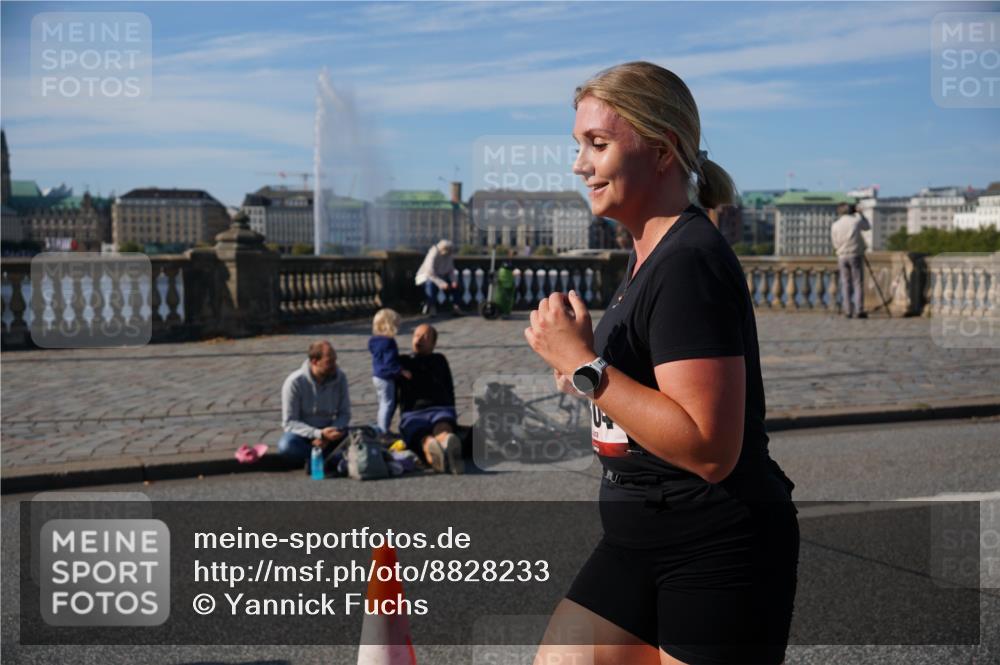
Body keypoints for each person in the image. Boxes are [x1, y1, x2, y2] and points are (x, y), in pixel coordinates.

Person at [525, 62, 799, 665]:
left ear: (662, 149)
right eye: (578, 146)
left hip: (716, 545)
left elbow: (707, 447)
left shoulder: (688, 262)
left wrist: (586, 365)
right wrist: (588, 375)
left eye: (597, 144)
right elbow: (648, 398)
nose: (579, 164)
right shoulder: (649, 253)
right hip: (637, 537)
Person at [396, 323, 464, 474]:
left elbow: (449, 386)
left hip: (432, 410)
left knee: (438, 428)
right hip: (420, 412)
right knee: (429, 432)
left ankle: (441, 446)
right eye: (416, 335)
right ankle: (440, 445)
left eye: (424, 336)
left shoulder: (437, 359)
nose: (419, 339)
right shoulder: (403, 362)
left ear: (433, 344)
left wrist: (451, 412)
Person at [278, 340, 350, 468]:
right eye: (329, 362)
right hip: (303, 436)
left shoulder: (340, 378)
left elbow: (344, 413)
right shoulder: (295, 382)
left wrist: (331, 433)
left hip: (331, 433)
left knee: (373, 431)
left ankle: (319, 461)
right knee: (286, 445)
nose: (335, 365)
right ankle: (329, 460)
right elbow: (289, 422)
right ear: (315, 362)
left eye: (335, 360)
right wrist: (318, 434)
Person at [368, 308, 412, 435]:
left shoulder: (374, 340)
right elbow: (390, 362)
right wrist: (401, 371)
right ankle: (382, 429)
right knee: (388, 404)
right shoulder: (388, 342)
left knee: (382, 402)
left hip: (377, 375)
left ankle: (381, 427)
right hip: (386, 377)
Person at [831, 203, 871, 319]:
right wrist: (861, 214)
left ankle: (847, 310)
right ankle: (859, 310)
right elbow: (867, 227)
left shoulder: (835, 225)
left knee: (845, 283)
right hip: (855, 254)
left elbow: (834, 242)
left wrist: (840, 250)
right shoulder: (855, 221)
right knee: (857, 283)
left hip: (842, 256)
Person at [415, 239, 462, 316]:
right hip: (426, 277)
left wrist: (454, 281)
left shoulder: (449, 255)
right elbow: (430, 273)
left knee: (455, 287)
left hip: (441, 277)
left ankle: (456, 306)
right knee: (430, 285)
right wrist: (441, 283)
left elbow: (451, 270)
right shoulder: (433, 254)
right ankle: (432, 307)